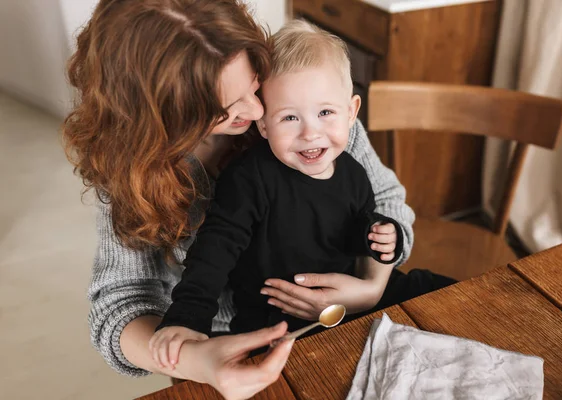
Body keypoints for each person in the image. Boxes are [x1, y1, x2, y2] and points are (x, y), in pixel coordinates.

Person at [61, 0, 441, 398]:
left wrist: (371, 288)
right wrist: (193, 355)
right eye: (224, 109)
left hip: (349, 313)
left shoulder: (307, 104)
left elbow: (385, 200)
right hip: (226, 343)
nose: (258, 108)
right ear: (160, 117)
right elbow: (118, 304)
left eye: (253, 82)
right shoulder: (129, 170)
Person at [149, 20, 409, 368]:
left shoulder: (352, 169)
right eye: (289, 118)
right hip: (271, 324)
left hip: (349, 308)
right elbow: (216, 247)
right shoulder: (249, 177)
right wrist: (187, 317)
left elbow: (358, 221)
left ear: (351, 112)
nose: (310, 133)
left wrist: (381, 236)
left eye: (325, 113)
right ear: (264, 125)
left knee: (434, 297)